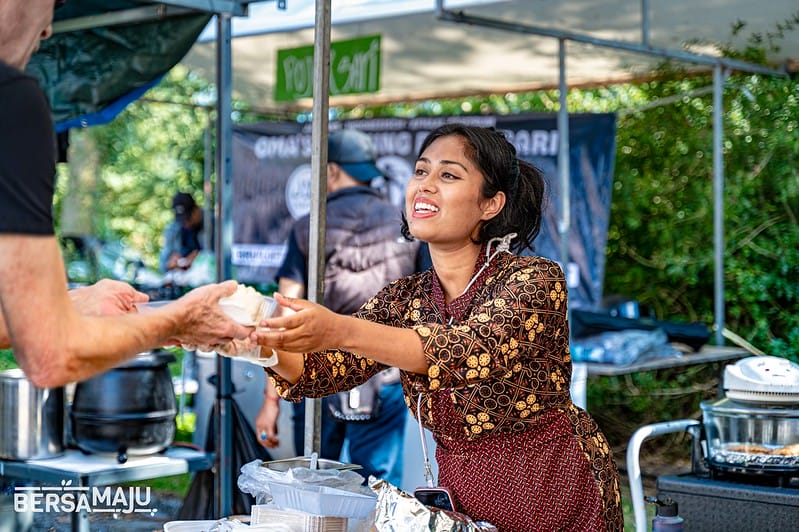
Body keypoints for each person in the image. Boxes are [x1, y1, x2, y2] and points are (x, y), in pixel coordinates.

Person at [249, 124, 624, 530]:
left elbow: (468, 351)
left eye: (448, 175)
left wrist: (337, 328)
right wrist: (255, 338)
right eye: (421, 171)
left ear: (491, 204)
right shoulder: (406, 298)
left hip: (555, 490)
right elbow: (318, 370)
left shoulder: (534, 280)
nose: (425, 186)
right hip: (461, 501)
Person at [0, 0, 252, 388]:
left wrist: (73, 302)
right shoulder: (12, 103)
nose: (49, 28)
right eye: (55, 2)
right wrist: (179, 319)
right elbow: (52, 356)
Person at [254, 129, 421, 488]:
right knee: (380, 489)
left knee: (311, 485)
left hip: (319, 373)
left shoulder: (309, 227)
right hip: (385, 374)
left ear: (330, 171)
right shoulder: (407, 227)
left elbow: (285, 315)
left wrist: (272, 399)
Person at [160, 192, 206, 273]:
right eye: (182, 220)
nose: (186, 224)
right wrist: (170, 263)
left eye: (188, 219)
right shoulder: (173, 229)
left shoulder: (213, 225)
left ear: (196, 210)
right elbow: (163, 264)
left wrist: (199, 257)